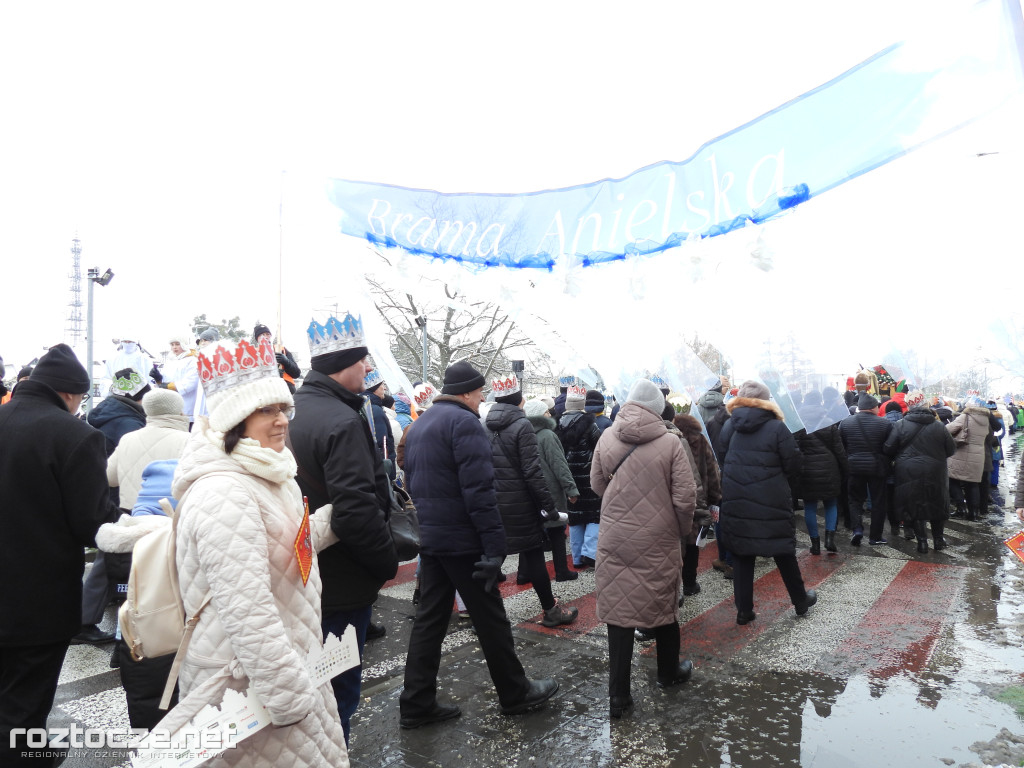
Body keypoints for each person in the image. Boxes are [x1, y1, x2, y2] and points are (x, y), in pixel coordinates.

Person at [152, 335, 348, 767]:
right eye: (266, 410)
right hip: (246, 685)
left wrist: (336, 519)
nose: (282, 420)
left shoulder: (266, 471)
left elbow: (275, 545)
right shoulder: (226, 489)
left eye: (283, 408)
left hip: (284, 661)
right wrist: (289, 695)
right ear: (234, 419)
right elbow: (248, 608)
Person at [400, 361, 559, 728]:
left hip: (433, 539)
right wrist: (494, 548)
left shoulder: (422, 424)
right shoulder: (465, 424)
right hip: (463, 540)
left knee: (430, 620)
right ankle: (515, 692)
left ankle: (416, 699)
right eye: (479, 393)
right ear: (467, 393)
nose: (481, 399)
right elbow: (480, 493)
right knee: (491, 619)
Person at [0, 344, 115, 767]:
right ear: (71, 394)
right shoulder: (76, 435)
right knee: (26, 698)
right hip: (37, 599)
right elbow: (92, 522)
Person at [289, 313, 399, 744]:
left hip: (305, 573)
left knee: (314, 688)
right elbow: (355, 509)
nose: (367, 370)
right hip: (342, 577)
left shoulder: (296, 411)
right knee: (338, 693)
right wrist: (385, 560)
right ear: (344, 364)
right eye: (363, 363)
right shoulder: (342, 420)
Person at [590, 379, 697, 718]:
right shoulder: (670, 443)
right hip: (659, 537)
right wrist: (680, 532)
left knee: (619, 610)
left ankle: (618, 696)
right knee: (663, 601)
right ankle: (668, 673)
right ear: (657, 408)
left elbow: (596, 483)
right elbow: (685, 498)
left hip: (615, 536)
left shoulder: (606, 436)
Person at [718, 380, 816, 626]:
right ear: (766, 401)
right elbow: (793, 463)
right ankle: (800, 600)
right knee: (783, 551)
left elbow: (722, 456)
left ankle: (744, 611)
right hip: (771, 499)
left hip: (737, 498)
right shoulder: (777, 428)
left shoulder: (730, 425)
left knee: (741, 554)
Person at [485, 374, 578, 626]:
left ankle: (481, 612)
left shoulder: (484, 425)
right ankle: (551, 610)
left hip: (494, 502)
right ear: (520, 399)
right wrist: (548, 507)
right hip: (522, 505)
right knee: (534, 555)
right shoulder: (522, 425)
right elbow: (531, 471)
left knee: (495, 556)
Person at [78, 366, 150, 645]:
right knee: (108, 557)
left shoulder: (105, 414)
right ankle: (84, 619)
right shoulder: (129, 424)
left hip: (103, 490)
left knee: (108, 553)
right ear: (137, 397)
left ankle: (94, 608)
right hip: (120, 495)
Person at [884, 392, 957, 553]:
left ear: (909, 406)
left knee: (915, 506)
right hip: (936, 471)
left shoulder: (900, 425)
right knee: (937, 504)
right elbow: (951, 449)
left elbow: (888, 448)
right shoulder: (939, 426)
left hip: (907, 471)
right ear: (926, 405)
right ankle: (938, 540)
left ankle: (922, 542)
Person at [106, 388, 190, 511]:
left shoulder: (127, 439)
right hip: (170, 517)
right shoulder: (189, 441)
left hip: (131, 515)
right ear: (179, 410)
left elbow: (110, 478)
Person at [524, 398, 579, 582]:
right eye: (546, 411)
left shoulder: (522, 434)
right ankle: (562, 571)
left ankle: (524, 574)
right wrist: (571, 489)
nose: (550, 413)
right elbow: (559, 465)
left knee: (531, 533)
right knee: (556, 530)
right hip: (550, 490)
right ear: (540, 416)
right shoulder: (547, 435)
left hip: (530, 489)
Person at [558, 383, 603, 569]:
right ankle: (589, 553)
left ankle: (576, 558)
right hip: (588, 476)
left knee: (575, 518)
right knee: (594, 516)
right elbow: (599, 449)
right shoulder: (590, 425)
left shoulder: (558, 425)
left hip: (569, 478)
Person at [839, 393, 894, 545]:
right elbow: (890, 447)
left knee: (855, 500)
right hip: (877, 468)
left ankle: (857, 529)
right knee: (878, 502)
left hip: (854, 467)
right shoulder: (885, 424)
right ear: (873, 408)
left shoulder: (845, 423)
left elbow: (841, 446)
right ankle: (875, 537)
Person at [796, 390, 847, 555]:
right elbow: (839, 450)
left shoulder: (798, 424)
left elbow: (795, 450)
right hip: (829, 469)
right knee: (831, 503)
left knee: (810, 506)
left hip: (807, 470)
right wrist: (846, 469)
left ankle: (815, 544)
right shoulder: (829, 422)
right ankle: (830, 539)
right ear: (820, 403)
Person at [946, 398, 998, 521]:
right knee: (972, 483)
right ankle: (973, 513)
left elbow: (949, 429)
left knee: (951, 479)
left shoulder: (965, 416)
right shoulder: (986, 419)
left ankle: (961, 508)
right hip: (979, 456)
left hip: (962, 454)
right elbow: (990, 437)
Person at [254, 322, 302, 393]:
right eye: (262, 335)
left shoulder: (281, 350)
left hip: (286, 389)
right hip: (264, 391)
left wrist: (287, 362)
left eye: (268, 334)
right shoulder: (253, 354)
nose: (266, 337)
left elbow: (296, 374)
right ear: (257, 339)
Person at [163, 334, 199, 426]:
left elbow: (191, 382)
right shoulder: (170, 361)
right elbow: (166, 378)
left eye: (177, 344)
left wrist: (170, 386)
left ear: (183, 344)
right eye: (172, 345)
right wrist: (159, 379)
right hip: (171, 402)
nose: (174, 347)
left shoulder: (192, 360)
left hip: (187, 402)